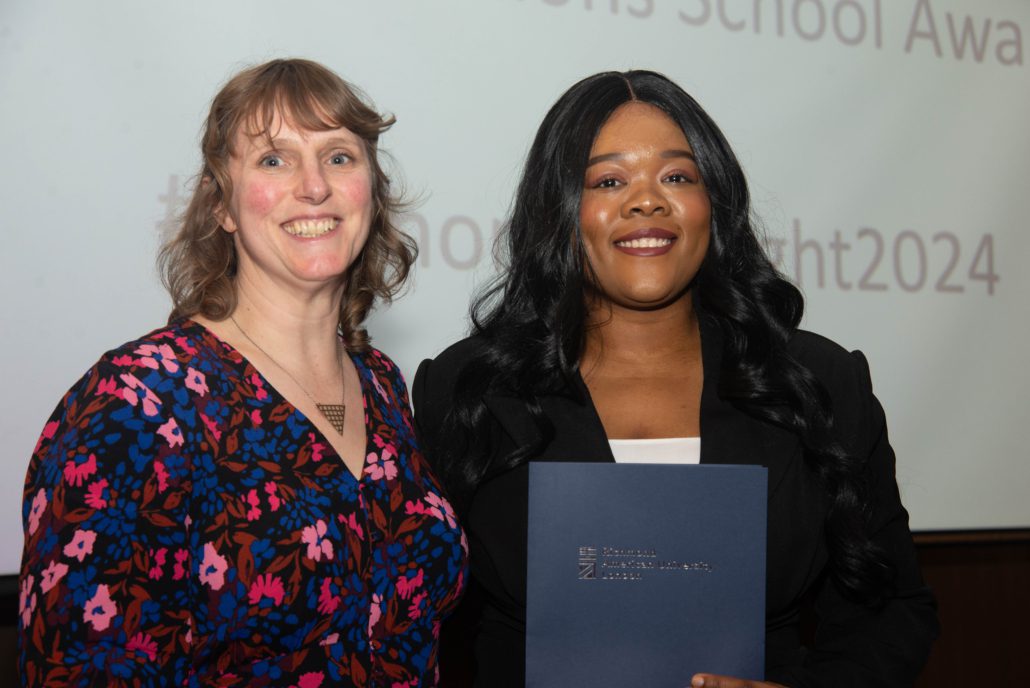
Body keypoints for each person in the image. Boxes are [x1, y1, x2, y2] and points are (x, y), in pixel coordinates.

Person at [413, 70, 938, 687]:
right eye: (609, 180)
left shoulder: (818, 382)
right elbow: (424, 621)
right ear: (558, 211)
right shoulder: (467, 389)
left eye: (677, 177)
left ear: (713, 204)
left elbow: (891, 609)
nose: (646, 201)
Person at [19, 58, 467, 687]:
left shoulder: (382, 385)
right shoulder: (137, 402)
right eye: (274, 160)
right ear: (222, 205)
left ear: (372, 190)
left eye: (339, 157)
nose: (314, 186)